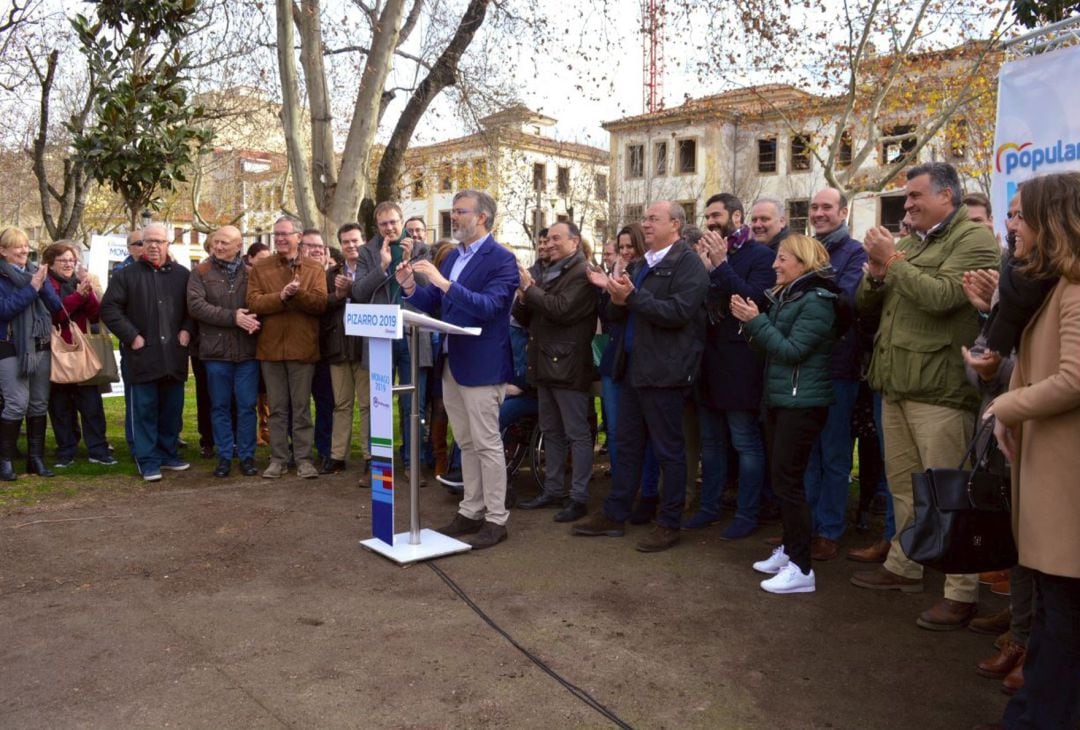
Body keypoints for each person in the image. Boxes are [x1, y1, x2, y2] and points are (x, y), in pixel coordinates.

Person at [850, 161, 1000, 630]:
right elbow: (866, 306)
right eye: (907, 197)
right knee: (904, 487)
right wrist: (876, 272)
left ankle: (961, 593)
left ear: (947, 197)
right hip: (896, 381)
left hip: (941, 388)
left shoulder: (973, 240)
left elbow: (940, 298)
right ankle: (904, 566)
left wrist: (891, 260)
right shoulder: (912, 241)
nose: (908, 204)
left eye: (916, 196)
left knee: (951, 494)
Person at [980, 171, 1080, 729]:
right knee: (1055, 611)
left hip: (1066, 478)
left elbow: (1073, 378)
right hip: (1051, 467)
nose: (1013, 226)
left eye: (1023, 215)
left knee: (1062, 614)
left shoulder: (1076, 288)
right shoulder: (1059, 284)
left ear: (1053, 220)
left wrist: (1005, 408)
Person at [572, 200, 709, 553]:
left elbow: (678, 313)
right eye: (644, 218)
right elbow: (625, 314)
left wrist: (632, 297)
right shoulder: (646, 265)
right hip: (633, 368)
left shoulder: (688, 264)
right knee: (627, 446)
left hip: (665, 372)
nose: (645, 224)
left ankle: (668, 522)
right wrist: (613, 294)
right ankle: (615, 512)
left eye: (653, 219)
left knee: (668, 451)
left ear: (676, 225)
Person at [398, 190, 519, 549]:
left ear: (482, 217)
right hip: (452, 362)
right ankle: (471, 510)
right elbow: (434, 303)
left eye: (461, 211)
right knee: (465, 442)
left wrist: (443, 282)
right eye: (453, 211)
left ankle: (496, 519)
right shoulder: (453, 258)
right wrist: (408, 285)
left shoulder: (502, 260)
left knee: (486, 443)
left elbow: (491, 307)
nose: (454, 217)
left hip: (482, 365)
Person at [730, 234, 844, 594]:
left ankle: (802, 568)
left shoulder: (817, 301)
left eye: (782, 259)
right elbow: (771, 347)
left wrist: (755, 321)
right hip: (782, 400)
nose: (774, 265)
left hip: (803, 404)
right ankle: (793, 550)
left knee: (789, 483)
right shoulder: (786, 296)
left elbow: (792, 351)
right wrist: (753, 324)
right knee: (784, 482)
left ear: (803, 262)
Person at [685, 192, 773, 539]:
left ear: (737, 217)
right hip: (707, 363)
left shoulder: (760, 256)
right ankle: (709, 507)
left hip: (741, 366)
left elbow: (752, 300)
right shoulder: (703, 256)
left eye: (716, 215)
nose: (709, 222)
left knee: (745, 444)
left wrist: (721, 267)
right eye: (706, 217)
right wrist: (706, 269)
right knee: (711, 444)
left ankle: (747, 513)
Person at [513, 222, 598, 523]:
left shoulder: (583, 273)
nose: (549, 243)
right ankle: (552, 490)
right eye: (547, 238)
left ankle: (579, 497)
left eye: (556, 238)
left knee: (577, 433)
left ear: (575, 241)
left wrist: (530, 289)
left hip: (569, 365)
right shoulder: (545, 270)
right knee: (551, 431)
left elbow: (562, 308)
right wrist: (523, 295)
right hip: (544, 362)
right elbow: (525, 316)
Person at [800, 188, 868, 560]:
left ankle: (828, 530)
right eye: (814, 207)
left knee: (835, 453)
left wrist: (811, 282)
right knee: (807, 451)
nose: (819, 213)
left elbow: (844, 304)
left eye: (827, 207)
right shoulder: (806, 249)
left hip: (837, 366)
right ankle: (804, 525)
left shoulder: (854, 253)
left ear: (843, 211)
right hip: (804, 365)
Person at [100, 222, 193, 482]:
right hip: (142, 356)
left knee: (171, 410)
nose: (152, 246)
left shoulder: (182, 275)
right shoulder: (125, 275)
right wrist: (132, 336)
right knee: (144, 410)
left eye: (158, 241)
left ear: (167, 244)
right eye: (146, 241)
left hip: (173, 356)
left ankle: (168, 453)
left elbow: (192, 309)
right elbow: (109, 310)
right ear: (140, 245)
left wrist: (187, 330)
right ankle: (148, 460)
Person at [352, 202, 434, 485]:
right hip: (380, 336)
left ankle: (414, 463)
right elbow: (359, 292)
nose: (390, 228)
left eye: (394, 222)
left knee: (415, 404)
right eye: (384, 224)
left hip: (413, 337)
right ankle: (379, 467)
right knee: (379, 402)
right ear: (377, 226)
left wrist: (410, 262)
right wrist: (382, 266)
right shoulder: (367, 251)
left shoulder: (421, 248)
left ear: (402, 221)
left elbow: (428, 289)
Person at [246, 215, 328, 479]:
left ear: (299, 236)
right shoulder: (261, 267)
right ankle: (278, 459)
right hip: (270, 349)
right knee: (278, 409)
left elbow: (320, 304)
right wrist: (281, 297)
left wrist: (297, 294)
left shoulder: (314, 268)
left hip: (302, 349)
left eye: (285, 234)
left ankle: (304, 460)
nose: (280, 238)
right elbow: (254, 303)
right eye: (276, 234)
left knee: (302, 408)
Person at [186, 225, 261, 478]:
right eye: (216, 242)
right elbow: (196, 306)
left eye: (225, 243)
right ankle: (224, 456)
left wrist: (252, 318)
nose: (218, 247)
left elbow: (260, 302)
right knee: (218, 406)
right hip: (215, 352)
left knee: (247, 406)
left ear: (238, 246)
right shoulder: (201, 272)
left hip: (247, 352)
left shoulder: (252, 274)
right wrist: (233, 317)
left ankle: (247, 456)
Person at [43, 242, 115, 468]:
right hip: (58, 352)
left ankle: (98, 449)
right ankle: (66, 450)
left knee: (91, 404)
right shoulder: (47, 285)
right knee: (60, 405)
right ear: (51, 262)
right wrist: (78, 296)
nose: (68, 264)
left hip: (83, 352)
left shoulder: (79, 283)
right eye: (63, 260)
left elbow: (95, 315)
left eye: (71, 260)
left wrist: (87, 291)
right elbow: (56, 315)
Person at [0, 227, 63, 481]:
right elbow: (4, 311)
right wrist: (32, 288)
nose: (24, 250)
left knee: (38, 403)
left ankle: (35, 459)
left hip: (39, 345)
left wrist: (41, 283)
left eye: (26, 246)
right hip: (9, 346)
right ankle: (5, 460)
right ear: (3, 251)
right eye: (17, 246)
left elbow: (56, 307)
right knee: (16, 403)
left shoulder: (35, 274)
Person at [321, 223, 371, 478]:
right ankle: (338, 455)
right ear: (340, 246)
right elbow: (321, 307)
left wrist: (354, 290)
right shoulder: (331, 274)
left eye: (355, 241)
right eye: (346, 242)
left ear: (363, 241)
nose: (351, 246)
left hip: (365, 348)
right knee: (341, 404)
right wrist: (338, 295)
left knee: (367, 405)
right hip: (338, 348)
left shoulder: (372, 270)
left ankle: (369, 456)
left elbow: (377, 302)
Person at [301, 229, 334, 466]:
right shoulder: (293, 275)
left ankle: (325, 450)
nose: (315, 251)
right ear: (300, 248)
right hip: (300, 349)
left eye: (319, 247)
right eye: (310, 246)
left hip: (328, 351)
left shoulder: (334, 277)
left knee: (326, 403)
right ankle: (299, 450)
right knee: (298, 404)